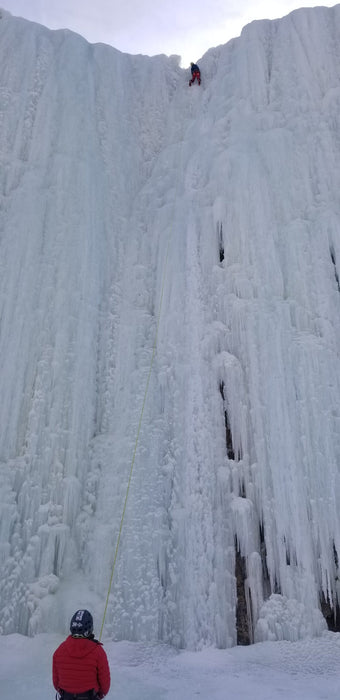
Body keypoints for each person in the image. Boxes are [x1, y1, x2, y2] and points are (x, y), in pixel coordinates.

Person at [53, 610, 111, 700]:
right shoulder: (98, 651)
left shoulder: (59, 650)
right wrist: (99, 695)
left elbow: (56, 683)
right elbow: (105, 685)